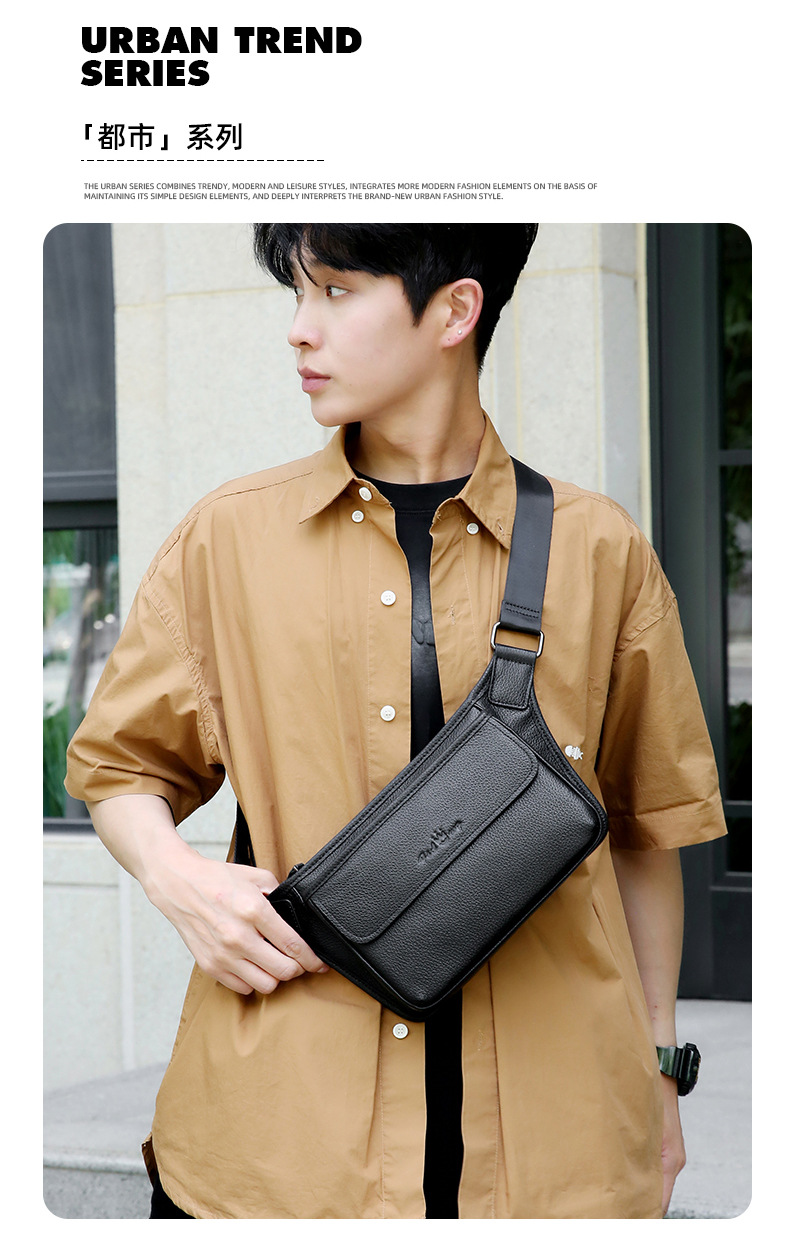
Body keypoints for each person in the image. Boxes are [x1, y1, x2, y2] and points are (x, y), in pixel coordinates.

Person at [65, 223, 727, 1219]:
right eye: (297, 293)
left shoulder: (599, 548)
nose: (299, 329)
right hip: (282, 1146)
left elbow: (646, 831)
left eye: (334, 291)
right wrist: (180, 881)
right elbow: (120, 768)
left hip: (554, 1155)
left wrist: (660, 1069)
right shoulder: (228, 536)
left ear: (455, 311)